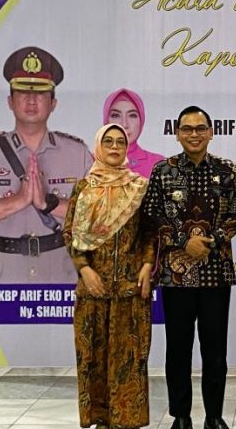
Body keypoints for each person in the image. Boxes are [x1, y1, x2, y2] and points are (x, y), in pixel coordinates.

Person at [0, 46, 92, 283]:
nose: (31, 100)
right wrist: (17, 201)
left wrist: (49, 204)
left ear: (53, 103)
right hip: (1, 281)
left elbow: (100, 219)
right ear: (10, 101)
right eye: (23, 91)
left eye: (40, 93)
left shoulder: (77, 153)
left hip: (59, 279)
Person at [141, 106, 236, 429]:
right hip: (176, 276)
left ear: (211, 132)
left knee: (215, 351)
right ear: (177, 134)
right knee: (178, 350)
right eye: (187, 129)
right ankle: (181, 416)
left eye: (200, 128)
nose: (194, 134)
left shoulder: (227, 171)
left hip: (216, 273)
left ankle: (214, 416)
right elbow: (151, 215)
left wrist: (212, 240)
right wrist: (184, 241)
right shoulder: (163, 171)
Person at [63, 123, 154, 428]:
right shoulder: (84, 188)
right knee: (93, 358)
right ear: (98, 147)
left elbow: (150, 233)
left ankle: (127, 420)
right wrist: (84, 268)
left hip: (130, 290)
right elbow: (70, 233)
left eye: (120, 142)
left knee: (130, 359)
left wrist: (147, 265)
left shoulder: (139, 188)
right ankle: (101, 419)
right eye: (109, 142)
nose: (115, 147)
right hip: (94, 290)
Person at [102, 88, 165, 178]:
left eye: (132, 115)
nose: (124, 124)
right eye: (115, 115)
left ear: (141, 121)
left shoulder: (158, 164)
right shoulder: (90, 162)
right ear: (106, 120)